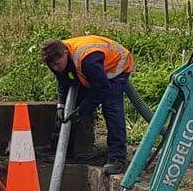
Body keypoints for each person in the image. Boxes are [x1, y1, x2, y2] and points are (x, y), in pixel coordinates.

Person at [40, 35, 135, 174]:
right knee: (75, 104)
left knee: (111, 107)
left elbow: (101, 88)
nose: (56, 68)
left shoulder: (87, 61)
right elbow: (63, 82)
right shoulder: (56, 56)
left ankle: (118, 157)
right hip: (95, 72)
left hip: (116, 66)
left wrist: (83, 109)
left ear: (65, 53)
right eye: (52, 65)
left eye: (58, 64)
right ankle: (59, 147)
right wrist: (61, 105)